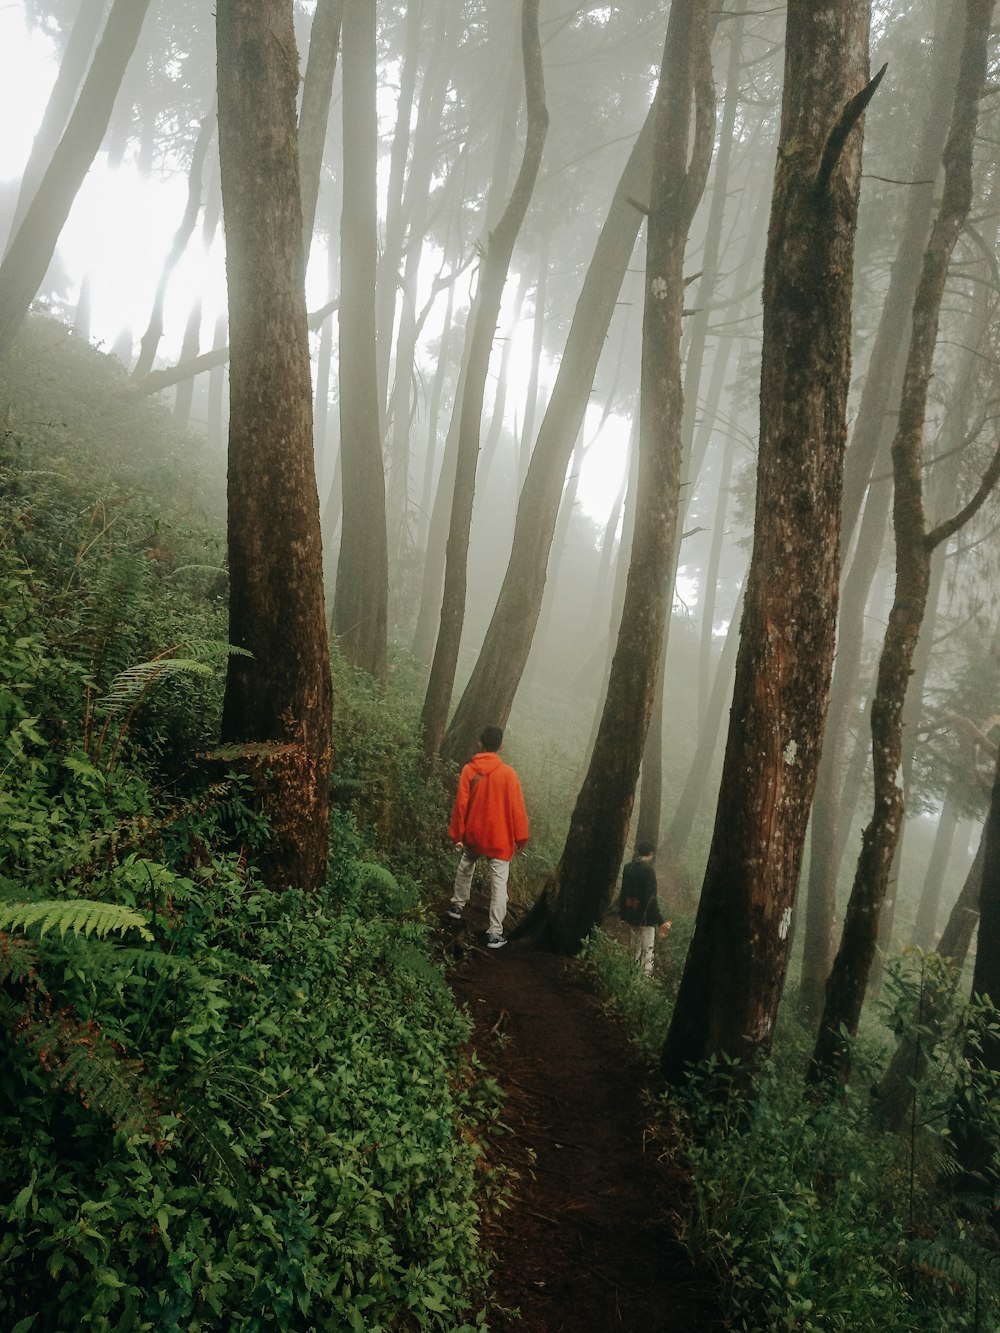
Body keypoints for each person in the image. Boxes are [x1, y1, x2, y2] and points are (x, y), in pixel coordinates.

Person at [447, 725, 529, 949]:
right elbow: (517, 809)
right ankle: (494, 933)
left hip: (474, 835)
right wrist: (521, 837)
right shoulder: (509, 774)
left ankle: (457, 905)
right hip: (500, 840)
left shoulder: (469, 770)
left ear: (479, 743)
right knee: (499, 885)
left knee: (466, 864)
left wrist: (457, 835)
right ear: (500, 747)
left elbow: (461, 806)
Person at [618, 840, 670, 976]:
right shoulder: (649, 871)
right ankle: (644, 983)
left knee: (634, 950)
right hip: (646, 917)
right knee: (647, 954)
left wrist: (623, 915)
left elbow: (623, 893)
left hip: (631, 913)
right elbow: (651, 898)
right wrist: (660, 921)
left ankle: (631, 978)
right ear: (651, 854)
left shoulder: (628, 867)